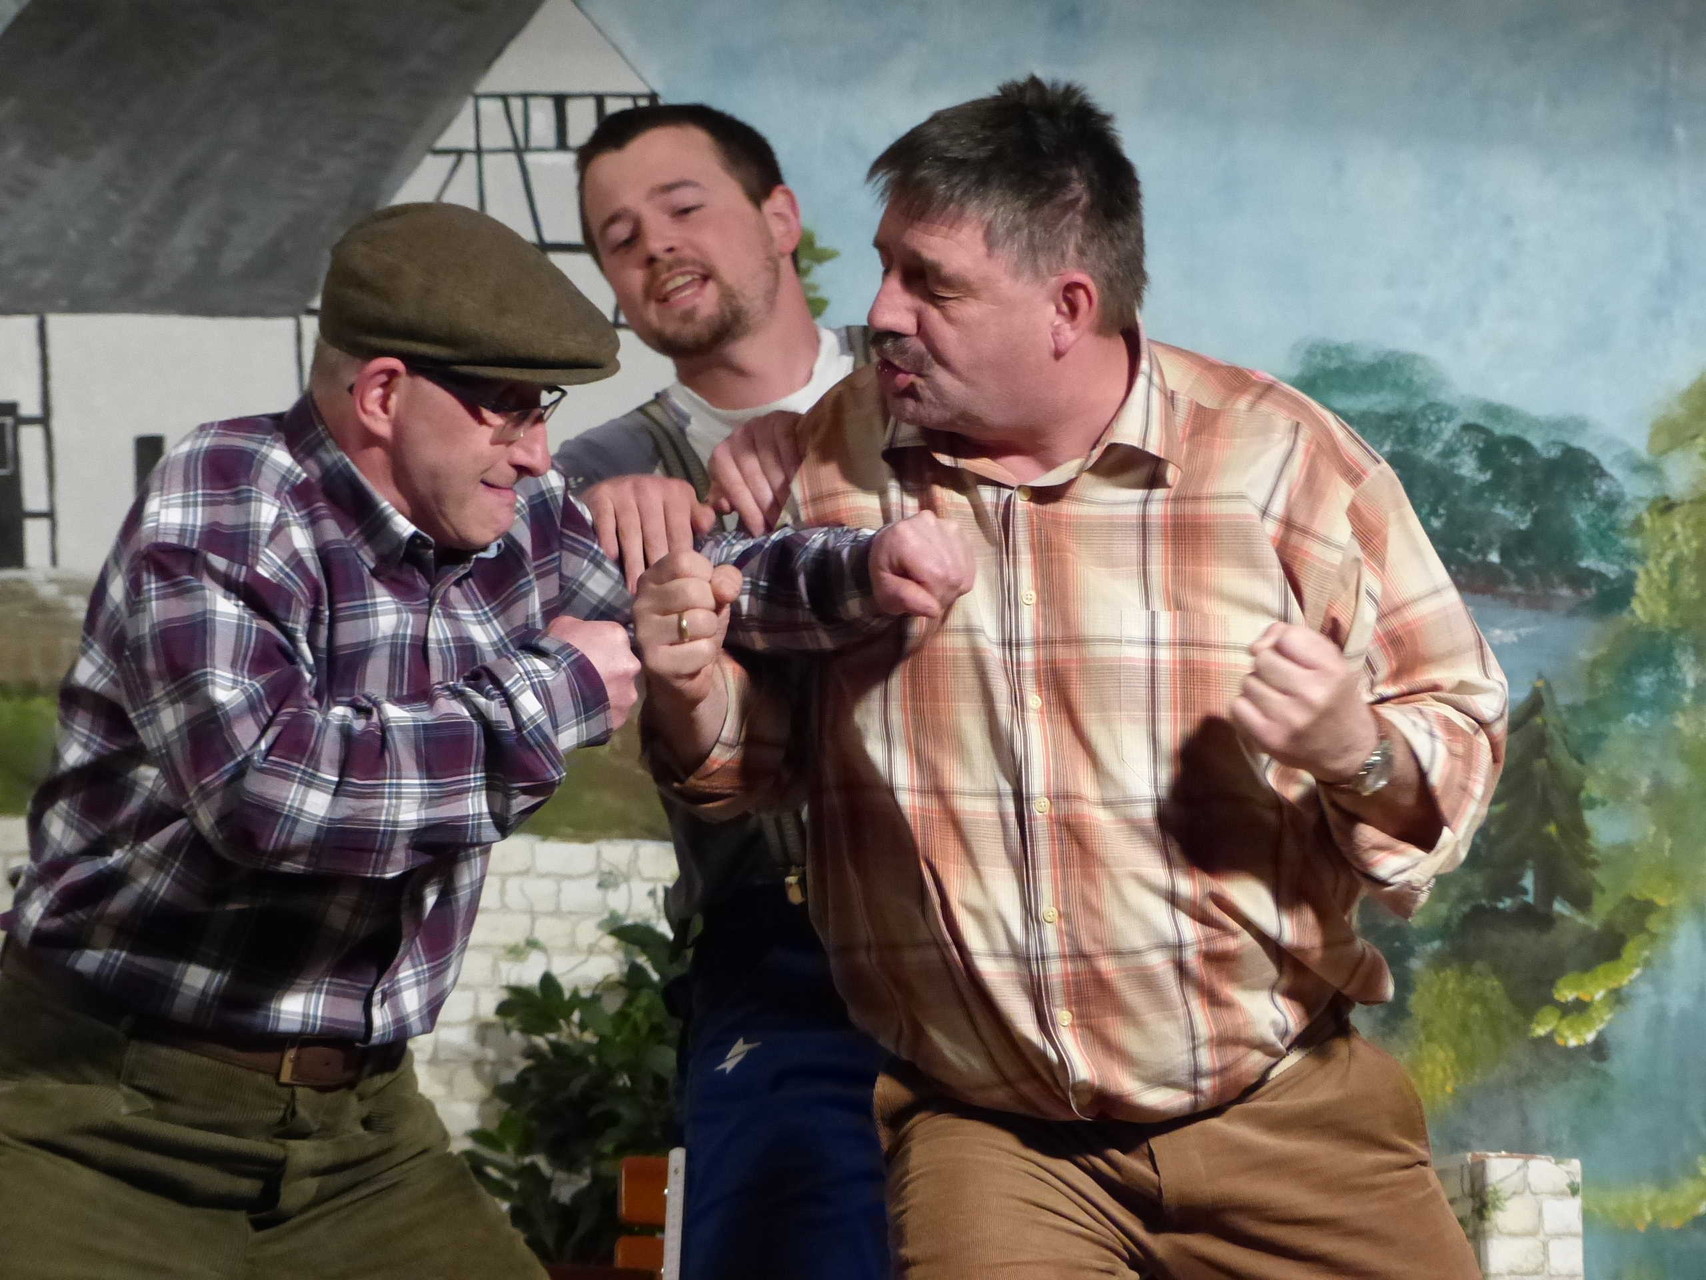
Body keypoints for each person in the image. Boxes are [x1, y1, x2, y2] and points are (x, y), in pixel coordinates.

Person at [634, 78, 1509, 1280]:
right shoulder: (820, 467)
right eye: (884, 266)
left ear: (1067, 306)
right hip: (989, 1132)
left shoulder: (1279, 462)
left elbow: (1456, 728)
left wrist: (1351, 746)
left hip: (1282, 1107)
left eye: (931, 283)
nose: (880, 312)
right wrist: (690, 694)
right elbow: (758, 757)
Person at [0, 199, 965, 1280]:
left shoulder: (518, 520)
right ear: (382, 394)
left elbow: (702, 587)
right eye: (506, 411)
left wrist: (863, 567)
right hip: (95, 1107)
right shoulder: (228, 495)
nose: (539, 453)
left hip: (357, 1130)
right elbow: (271, 793)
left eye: (544, 410)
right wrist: (559, 690)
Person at [554, 103, 890, 1280]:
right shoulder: (594, 475)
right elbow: (538, 642)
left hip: (1026, 918)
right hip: (781, 948)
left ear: (780, 217)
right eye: (617, 238)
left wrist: (834, 435)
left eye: (683, 206)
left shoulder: (919, 372)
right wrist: (593, 529)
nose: (653, 243)